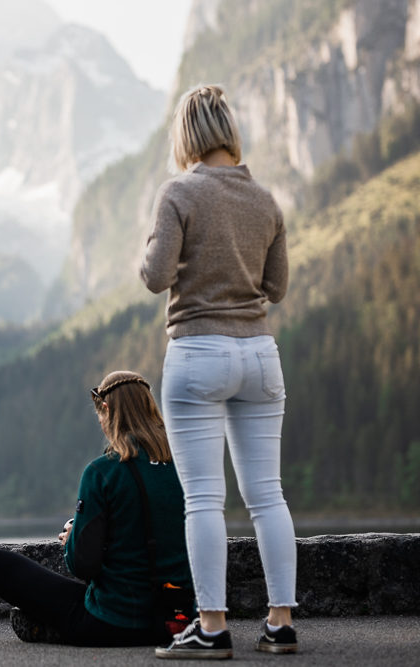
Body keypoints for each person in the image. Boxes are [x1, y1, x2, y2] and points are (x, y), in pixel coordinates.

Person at [141, 84, 298, 659]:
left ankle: (212, 628)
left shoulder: (178, 192)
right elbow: (275, 288)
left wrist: (154, 246)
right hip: (258, 354)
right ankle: (280, 623)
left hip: (198, 353)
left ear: (187, 135)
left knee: (204, 499)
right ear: (229, 132)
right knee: (267, 496)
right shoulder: (266, 200)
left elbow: (156, 276)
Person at [0, 370, 192, 647]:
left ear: (105, 409)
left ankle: (56, 630)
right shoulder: (186, 466)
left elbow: (83, 565)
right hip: (177, 622)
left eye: (100, 415)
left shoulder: (101, 472)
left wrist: (72, 539)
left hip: (113, 621)